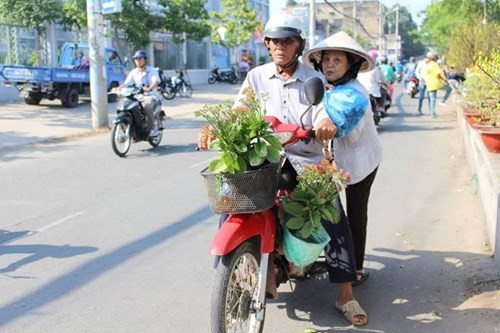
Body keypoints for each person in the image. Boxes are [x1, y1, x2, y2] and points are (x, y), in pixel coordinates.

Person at [198, 14, 368, 327]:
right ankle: (237, 276)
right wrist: (216, 125)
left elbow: (321, 111)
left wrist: (324, 124)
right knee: (233, 201)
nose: (280, 46)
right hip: (266, 157)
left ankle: (345, 293)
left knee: (332, 213)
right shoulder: (257, 76)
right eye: (274, 41)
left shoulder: (311, 77)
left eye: (287, 41)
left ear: (298, 44)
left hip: (304, 156)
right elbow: (241, 109)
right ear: (267, 45)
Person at [303, 32, 382, 290]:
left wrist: (325, 124)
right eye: (326, 59)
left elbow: (336, 120)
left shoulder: (354, 95)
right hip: (336, 161)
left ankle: (356, 268)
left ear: (351, 65)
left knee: (355, 214)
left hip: (361, 162)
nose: (329, 65)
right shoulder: (331, 88)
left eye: (337, 60)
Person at [119, 50, 161, 136]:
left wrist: (149, 88)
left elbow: (155, 81)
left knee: (147, 107)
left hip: (149, 95)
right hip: (137, 96)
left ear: (145, 60)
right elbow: (126, 83)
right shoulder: (133, 72)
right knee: (125, 106)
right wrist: (118, 88)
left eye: (140, 59)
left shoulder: (152, 70)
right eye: (136, 59)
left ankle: (152, 129)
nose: (138, 61)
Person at [357, 50, 386, 116]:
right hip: (373, 90)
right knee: (384, 92)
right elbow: (378, 79)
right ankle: (381, 107)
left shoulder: (360, 67)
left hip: (361, 90)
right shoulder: (375, 68)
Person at [423, 52, 447, 118]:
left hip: (429, 84)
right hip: (436, 83)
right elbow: (439, 74)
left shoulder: (426, 64)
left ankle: (432, 114)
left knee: (432, 99)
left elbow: (424, 74)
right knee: (449, 89)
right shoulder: (434, 64)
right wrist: (445, 79)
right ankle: (443, 100)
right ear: (433, 57)